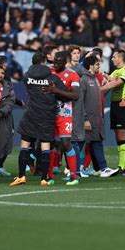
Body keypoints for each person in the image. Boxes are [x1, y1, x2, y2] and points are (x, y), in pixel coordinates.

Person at [10, 52, 67, 187]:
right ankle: (44, 179)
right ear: (44, 62)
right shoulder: (53, 78)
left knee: (24, 147)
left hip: (31, 115)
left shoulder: (26, 76)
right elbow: (65, 94)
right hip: (47, 116)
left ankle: (21, 176)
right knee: (45, 148)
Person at [81, 55, 119, 178]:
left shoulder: (95, 79)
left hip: (96, 117)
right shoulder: (84, 80)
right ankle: (77, 169)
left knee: (97, 142)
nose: (99, 66)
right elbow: (80, 101)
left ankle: (103, 168)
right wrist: (85, 119)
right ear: (91, 65)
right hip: (88, 119)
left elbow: (99, 94)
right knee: (80, 144)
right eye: (97, 64)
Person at [47, 51, 80, 185]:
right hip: (49, 112)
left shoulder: (72, 74)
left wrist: (57, 91)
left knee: (66, 143)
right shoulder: (49, 73)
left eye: (59, 62)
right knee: (49, 143)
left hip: (65, 112)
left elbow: (75, 95)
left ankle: (73, 176)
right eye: (55, 61)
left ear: (65, 62)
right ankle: (48, 176)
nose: (56, 64)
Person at [101, 49, 125, 172]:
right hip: (114, 104)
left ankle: (123, 165)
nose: (112, 59)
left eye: (114, 57)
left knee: (121, 134)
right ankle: (123, 164)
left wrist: (104, 76)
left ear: (120, 58)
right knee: (117, 134)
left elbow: (116, 83)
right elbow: (109, 85)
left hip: (122, 103)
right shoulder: (115, 71)